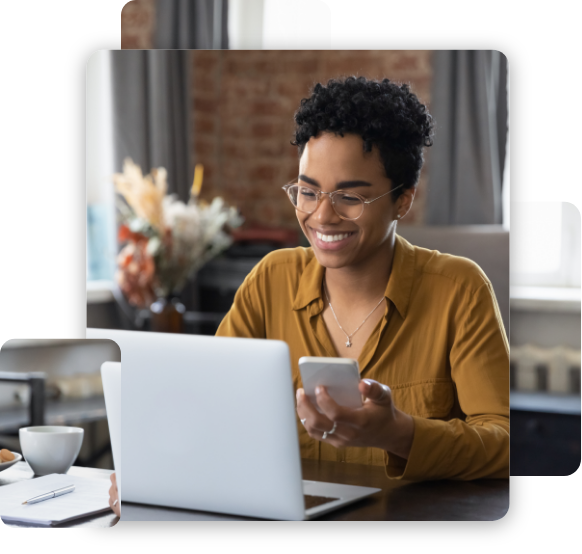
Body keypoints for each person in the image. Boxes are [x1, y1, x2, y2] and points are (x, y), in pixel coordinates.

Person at [214, 75, 509, 481]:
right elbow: (209, 404)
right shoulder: (270, 280)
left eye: (350, 197)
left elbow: (506, 443)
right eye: (308, 191)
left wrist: (400, 434)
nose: (321, 216)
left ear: (402, 200)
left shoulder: (459, 290)